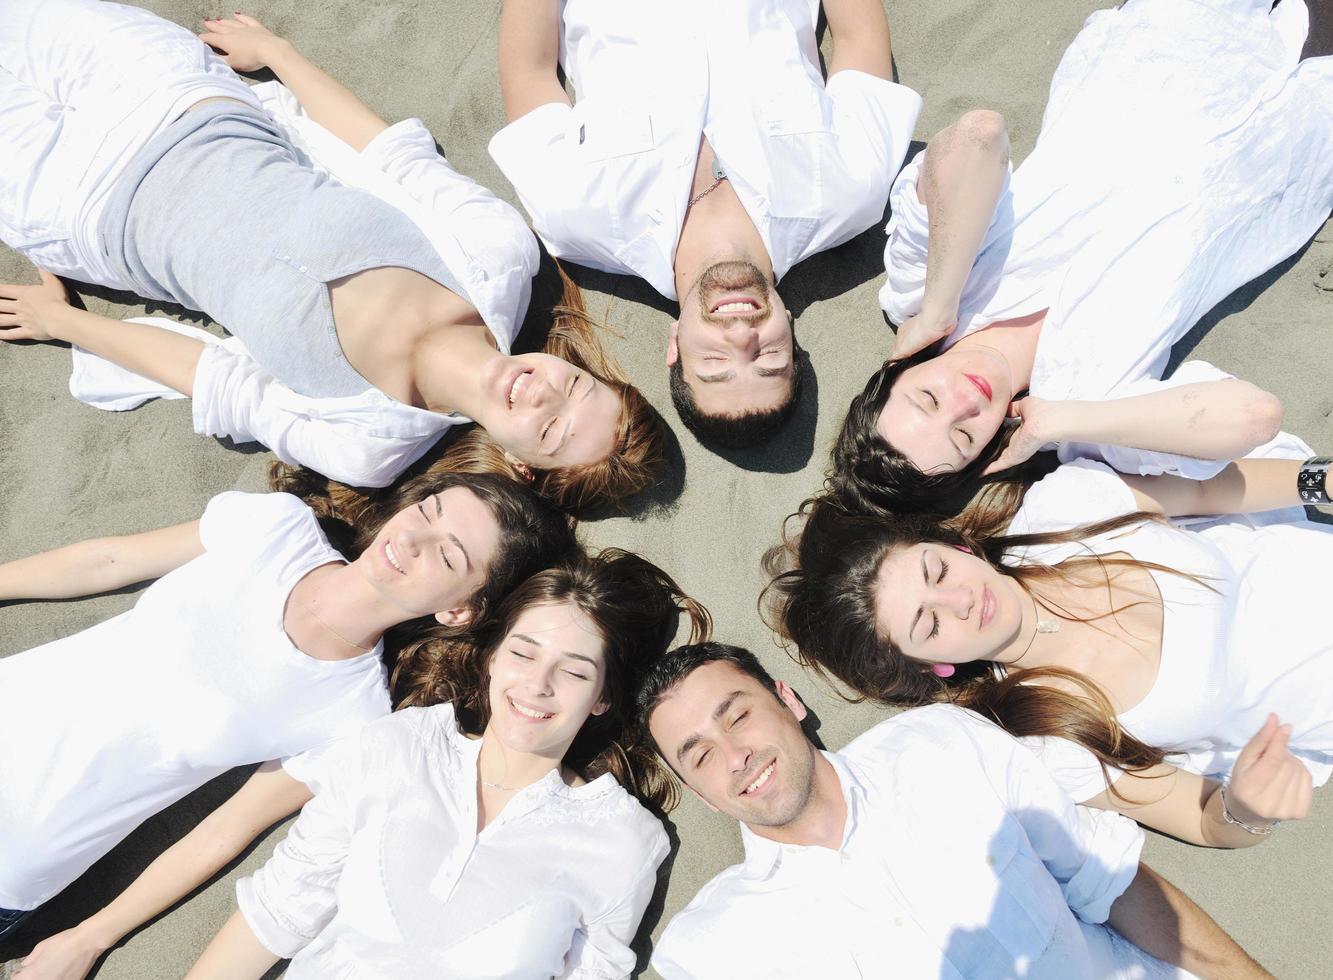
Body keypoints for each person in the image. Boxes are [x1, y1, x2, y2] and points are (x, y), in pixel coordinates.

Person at [0, 3, 663, 506]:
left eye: (553, 434)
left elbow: (214, 381)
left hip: (77, 210)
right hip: (174, 93)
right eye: (575, 388)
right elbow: (388, 152)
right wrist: (278, 53)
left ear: (523, 465)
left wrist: (62, 323)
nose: (543, 397)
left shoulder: (367, 442)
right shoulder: (498, 254)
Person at [828, 0, 1333, 519]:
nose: (963, 404)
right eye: (963, 437)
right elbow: (1254, 417)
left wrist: (939, 305)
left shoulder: (920, 288)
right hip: (1289, 141)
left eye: (927, 398)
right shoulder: (1084, 417)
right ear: (990, 452)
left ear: (896, 374)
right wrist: (1058, 421)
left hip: (1177, 40)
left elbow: (977, 137)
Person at [766, 449, 1333, 847]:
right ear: (935, 665)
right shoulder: (1049, 734)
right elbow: (1203, 821)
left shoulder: (1063, 511)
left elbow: (1216, 489)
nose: (958, 600)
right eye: (928, 624)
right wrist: (1247, 808)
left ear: (952, 544)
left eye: (937, 572)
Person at [0, 470, 577, 942]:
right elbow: (107, 560)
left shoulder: (354, 717)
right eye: (427, 511)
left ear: (460, 611)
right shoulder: (276, 527)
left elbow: (223, 832)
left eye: (448, 558)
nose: (413, 540)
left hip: (15, 862)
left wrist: (89, 937)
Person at [153, 549, 707, 979]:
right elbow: (282, 909)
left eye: (575, 671)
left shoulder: (623, 842)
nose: (537, 685)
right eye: (524, 652)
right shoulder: (402, 746)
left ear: (602, 698)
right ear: (492, 657)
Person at [637, 642, 1268, 979]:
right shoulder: (712, 949)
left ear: (789, 701)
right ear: (698, 792)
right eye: (699, 756)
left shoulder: (940, 743)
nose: (736, 756)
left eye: (738, 715)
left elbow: (1113, 884)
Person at [491, 0, 922, 449]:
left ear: (674, 344)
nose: (741, 335)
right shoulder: (851, 194)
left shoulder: (574, 216)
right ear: (792, 333)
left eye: (715, 362)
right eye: (770, 358)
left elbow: (532, 71)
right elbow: (858, 39)